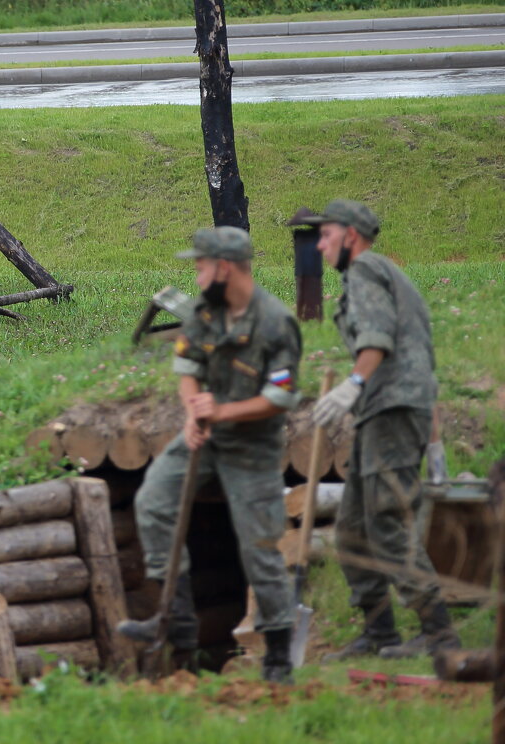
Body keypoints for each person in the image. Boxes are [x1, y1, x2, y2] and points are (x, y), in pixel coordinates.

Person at [119, 227, 301, 684]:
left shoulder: (276, 323)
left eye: (201, 266)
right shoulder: (204, 313)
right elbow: (188, 367)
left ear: (226, 267)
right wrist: (193, 412)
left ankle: (278, 649)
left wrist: (221, 411)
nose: (196, 275)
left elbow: (279, 397)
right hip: (205, 435)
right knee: (154, 501)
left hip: (252, 443)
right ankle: (175, 616)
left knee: (257, 544)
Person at [303, 199, 460, 660]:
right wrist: (434, 445)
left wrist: (352, 385)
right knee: (352, 527)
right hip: (391, 411)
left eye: (326, 235)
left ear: (351, 235)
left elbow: (378, 339)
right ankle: (380, 634)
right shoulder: (391, 275)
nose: (320, 245)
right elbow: (421, 359)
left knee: (387, 521)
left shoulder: (365, 270)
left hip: (390, 409)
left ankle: (440, 635)